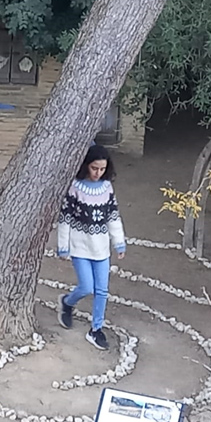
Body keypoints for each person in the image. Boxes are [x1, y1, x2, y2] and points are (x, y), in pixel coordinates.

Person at [56, 144, 127, 350]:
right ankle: (67, 303)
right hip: (80, 248)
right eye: (94, 168)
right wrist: (63, 247)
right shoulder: (75, 187)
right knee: (86, 287)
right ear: (86, 165)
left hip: (102, 249)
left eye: (102, 169)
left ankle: (96, 329)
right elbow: (65, 218)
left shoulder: (107, 188)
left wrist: (119, 243)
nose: (98, 173)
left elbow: (113, 216)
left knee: (102, 291)